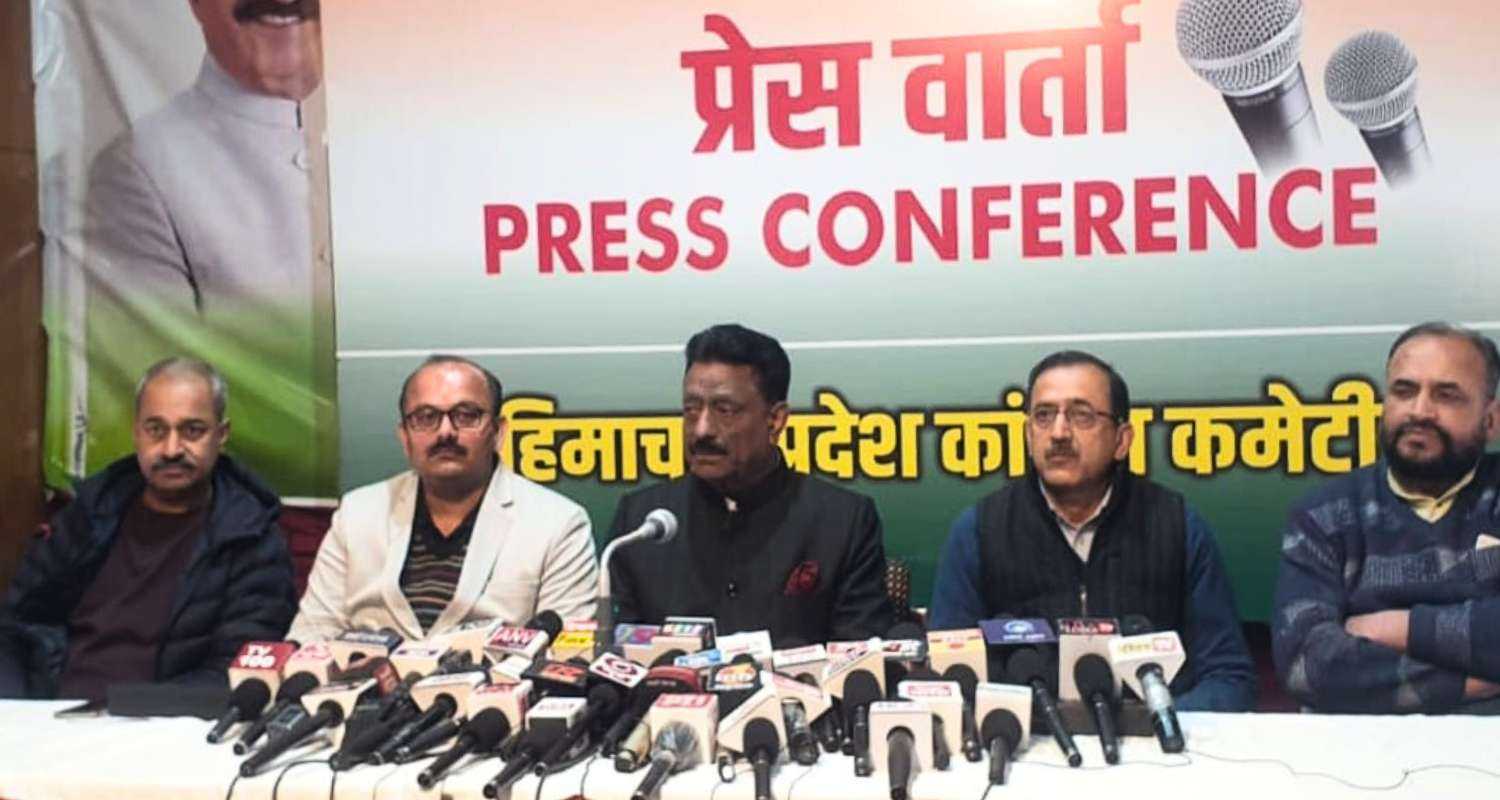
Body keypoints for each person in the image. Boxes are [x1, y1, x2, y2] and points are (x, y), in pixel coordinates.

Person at [930, 350, 1256, 711]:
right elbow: (949, 676)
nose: (1058, 433)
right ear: (1027, 433)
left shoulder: (1176, 525)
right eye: (1043, 416)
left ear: (1122, 440)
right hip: (1024, 748)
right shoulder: (980, 530)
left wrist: (1153, 726)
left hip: (1154, 750)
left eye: (1081, 415)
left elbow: (1228, 678)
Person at [0, 358, 295, 700]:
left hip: (161, 727)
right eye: (156, 429)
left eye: (192, 430)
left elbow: (237, 671)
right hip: (49, 714)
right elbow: (16, 626)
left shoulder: (251, 537)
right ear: (136, 432)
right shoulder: (89, 513)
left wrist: (126, 709)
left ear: (221, 435)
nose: (172, 449)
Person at [607, 324, 894, 646]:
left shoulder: (842, 521)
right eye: (691, 409)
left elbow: (860, 657)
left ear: (775, 420)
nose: (701, 430)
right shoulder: (641, 521)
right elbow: (616, 654)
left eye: (724, 410)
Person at [288, 356, 597, 642]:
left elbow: (563, 659)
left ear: (498, 432)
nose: (446, 432)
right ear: (404, 436)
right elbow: (311, 635)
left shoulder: (557, 522)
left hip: (493, 698)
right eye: (426, 417)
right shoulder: (358, 513)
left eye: (466, 415)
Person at [1274, 322, 1500, 713]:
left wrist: (1396, 628)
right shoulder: (1324, 515)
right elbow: (1307, 664)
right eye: (1404, 391)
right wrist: (1465, 684)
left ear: (1491, 420)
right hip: (1361, 755)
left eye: (1446, 395)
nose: (1419, 411)